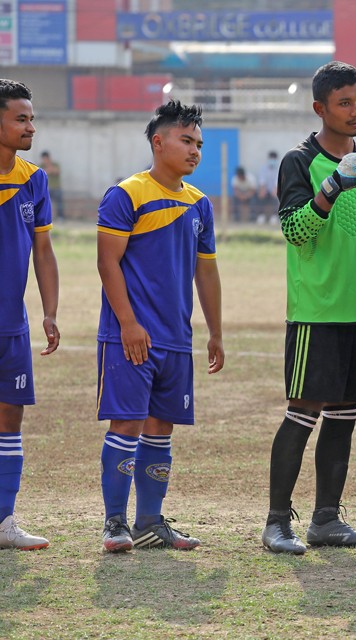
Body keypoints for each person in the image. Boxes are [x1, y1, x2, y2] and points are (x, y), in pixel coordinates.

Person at [261, 61, 356, 555]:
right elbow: (296, 231)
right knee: (302, 413)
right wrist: (332, 186)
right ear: (320, 108)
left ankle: (327, 520)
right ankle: (277, 522)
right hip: (316, 311)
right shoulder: (299, 162)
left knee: (344, 415)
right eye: (344, 103)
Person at [97, 100, 224, 552]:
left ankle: (149, 522)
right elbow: (107, 263)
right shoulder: (126, 194)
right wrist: (128, 323)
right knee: (126, 425)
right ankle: (114, 523)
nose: (194, 151)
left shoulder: (198, 204)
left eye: (199, 144)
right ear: (158, 141)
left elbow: (205, 271)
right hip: (131, 336)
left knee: (160, 430)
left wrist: (215, 331)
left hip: (176, 339)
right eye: (186, 141)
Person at [0, 79, 59, 551]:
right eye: (20, 118)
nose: (30, 127)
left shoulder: (33, 178)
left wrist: (49, 312)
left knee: (10, 419)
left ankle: (4, 521)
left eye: (31, 118)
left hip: (12, 325)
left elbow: (43, 249)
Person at [257, 150, 279, 223]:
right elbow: (262, 181)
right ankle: (261, 215)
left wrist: (275, 190)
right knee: (261, 195)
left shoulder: (279, 168)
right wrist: (262, 190)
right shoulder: (263, 168)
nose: (272, 160)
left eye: (274, 159)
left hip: (275, 190)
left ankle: (274, 216)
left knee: (276, 196)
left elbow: (277, 181)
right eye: (271, 159)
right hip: (265, 189)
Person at [39, 151, 63, 220]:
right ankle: (45, 217)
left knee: (59, 203)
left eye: (46, 158)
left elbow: (57, 171)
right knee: (45, 204)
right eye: (44, 159)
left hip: (56, 187)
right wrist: (49, 170)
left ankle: (60, 217)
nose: (45, 160)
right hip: (46, 188)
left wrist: (49, 168)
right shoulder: (41, 166)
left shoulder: (55, 164)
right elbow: (40, 173)